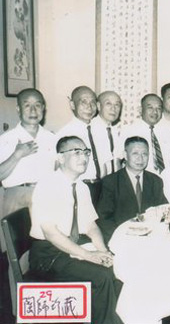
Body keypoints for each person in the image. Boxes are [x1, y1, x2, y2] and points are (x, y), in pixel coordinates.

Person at [29, 136, 123, 324]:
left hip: (70, 246)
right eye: (76, 152)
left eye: (86, 152)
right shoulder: (47, 185)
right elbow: (51, 233)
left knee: (116, 267)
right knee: (101, 276)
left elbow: (90, 226)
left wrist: (103, 252)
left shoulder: (81, 187)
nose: (84, 158)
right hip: (47, 254)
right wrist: (89, 256)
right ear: (61, 158)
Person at [0, 88, 55, 229]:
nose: (33, 110)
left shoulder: (53, 138)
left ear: (43, 108)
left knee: (46, 246)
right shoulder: (6, 139)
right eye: (27, 105)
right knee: (17, 248)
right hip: (16, 198)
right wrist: (17, 155)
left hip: (46, 195)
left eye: (37, 105)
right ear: (18, 109)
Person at [97, 136, 167, 243]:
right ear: (125, 155)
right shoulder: (110, 182)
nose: (140, 158)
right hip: (122, 239)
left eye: (144, 154)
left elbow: (163, 210)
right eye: (135, 153)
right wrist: (122, 238)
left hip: (152, 239)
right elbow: (104, 219)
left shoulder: (155, 181)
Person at [56, 86, 101, 206]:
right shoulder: (65, 134)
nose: (89, 107)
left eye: (92, 102)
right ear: (72, 105)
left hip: (101, 188)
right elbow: (57, 168)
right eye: (84, 102)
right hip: (78, 189)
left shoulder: (100, 130)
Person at [120, 93, 170, 175]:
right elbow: (119, 160)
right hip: (141, 180)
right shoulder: (129, 130)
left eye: (158, 108)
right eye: (150, 108)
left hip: (168, 178)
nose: (155, 112)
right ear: (141, 110)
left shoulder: (168, 128)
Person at [90, 91, 122, 176]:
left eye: (117, 105)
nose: (113, 108)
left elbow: (117, 160)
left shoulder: (115, 130)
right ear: (99, 106)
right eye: (108, 104)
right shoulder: (90, 129)